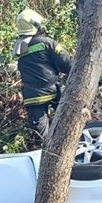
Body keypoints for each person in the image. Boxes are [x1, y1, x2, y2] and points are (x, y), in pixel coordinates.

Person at [13, 9, 72, 139]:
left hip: (32, 95)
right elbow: (66, 63)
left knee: (40, 134)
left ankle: (45, 153)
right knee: (68, 121)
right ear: (37, 25)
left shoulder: (19, 48)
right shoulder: (47, 43)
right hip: (53, 90)